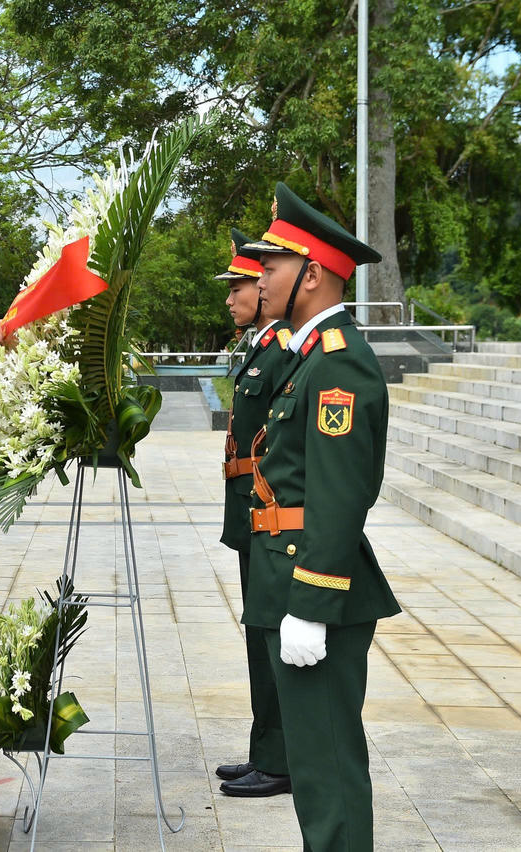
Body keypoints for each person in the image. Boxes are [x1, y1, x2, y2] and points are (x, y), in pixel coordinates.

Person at [240, 183, 401, 850]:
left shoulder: (338, 366)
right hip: (291, 580)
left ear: (310, 273)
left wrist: (310, 603)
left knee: (327, 767)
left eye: (271, 266)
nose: (260, 278)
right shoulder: (307, 356)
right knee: (313, 766)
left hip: (315, 589)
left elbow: (339, 497)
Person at [213, 229, 293, 798]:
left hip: (268, 510)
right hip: (249, 509)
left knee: (269, 634)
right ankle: (264, 749)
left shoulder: (285, 349)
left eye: (238, 285)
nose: (233, 296)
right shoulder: (261, 345)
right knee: (257, 633)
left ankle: (280, 759)